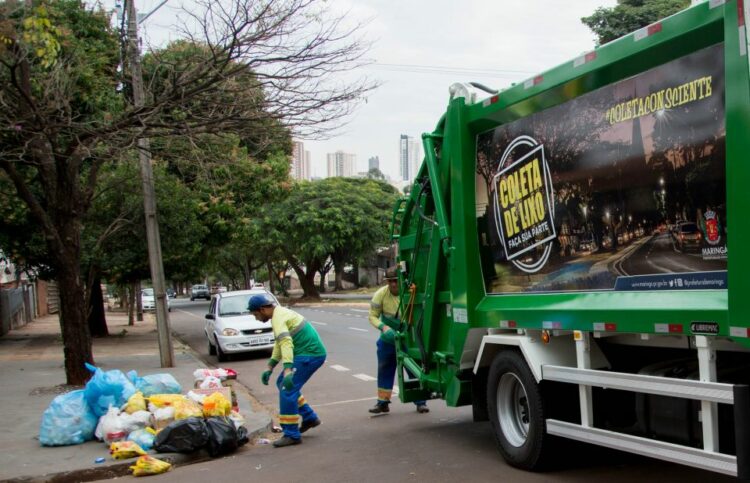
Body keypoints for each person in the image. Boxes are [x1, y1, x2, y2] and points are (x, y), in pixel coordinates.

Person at [248, 293, 327, 447]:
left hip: (309, 355)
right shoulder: (278, 315)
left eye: (255, 314)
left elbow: (286, 343)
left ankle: (291, 434)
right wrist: (270, 366)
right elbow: (280, 343)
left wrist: (288, 369)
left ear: (263, 309)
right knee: (282, 384)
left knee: (287, 389)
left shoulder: (278, 318)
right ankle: (309, 417)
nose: (255, 318)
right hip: (306, 353)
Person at [368, 266, 428, 415]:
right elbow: (372, 316)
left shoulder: (410, 293)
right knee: (384, 369)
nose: (394, 284)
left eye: (396, 280)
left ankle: (420, 402)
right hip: (388, 340)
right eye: (390, 281)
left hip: (408, 340)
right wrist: (383, 327)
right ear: (387, 282)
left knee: (414, 370)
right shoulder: (380, 295)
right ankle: (383, 403)